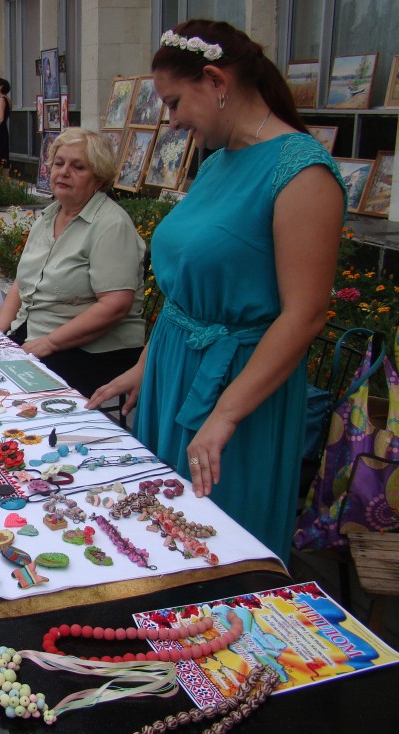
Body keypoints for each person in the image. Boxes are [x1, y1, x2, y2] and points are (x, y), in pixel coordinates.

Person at [87, 20, 345, 562]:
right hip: (174, 369)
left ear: (216, 80)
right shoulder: (217, 164)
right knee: (155, 533)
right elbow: (185, 290)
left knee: (215, 542)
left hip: (239, 388)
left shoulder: (303, 174)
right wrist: (147, 365)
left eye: (175, 103)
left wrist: (226, 414)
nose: (173, 121)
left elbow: (305, 315)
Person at [0, 127, 145, 398]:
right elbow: (22, 283)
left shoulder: (111, 224)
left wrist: (49, 343)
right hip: (36, 333)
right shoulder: (48, 216)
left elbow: (115, 305)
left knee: (6, 394)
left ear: (98, 179)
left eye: (78, 167)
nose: (64, 172)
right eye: (59, 163)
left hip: (93, 350)